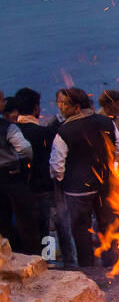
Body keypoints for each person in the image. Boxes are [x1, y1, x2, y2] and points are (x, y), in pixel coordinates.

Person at [50, 88, 119, 269]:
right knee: (107, 226)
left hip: (77, 191)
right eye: (58, 102)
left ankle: (87, 268)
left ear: (76, 106)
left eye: (64, 103)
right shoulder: (106, 122)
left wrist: (63, 180)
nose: (60, 107)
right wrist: (106, 166)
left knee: (81, 230)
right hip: (104, 185)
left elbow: (56, 166)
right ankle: (112, 264)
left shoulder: (64, 131)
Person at [9, 88, 70, 263]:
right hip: (46, 187)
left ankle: (46, 261)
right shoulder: (45, 133)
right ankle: (68, 261)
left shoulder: (11, 132)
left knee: (38, 228)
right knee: (57, 225)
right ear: (36, 109)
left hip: (22, 189)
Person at [0, 98, 36, 255]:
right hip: (11, 176)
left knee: (2, 222)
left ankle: (11, 255)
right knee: (26, 219)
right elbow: (25, 148)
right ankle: (32, 256)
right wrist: (24, 161)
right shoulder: (7, 127)